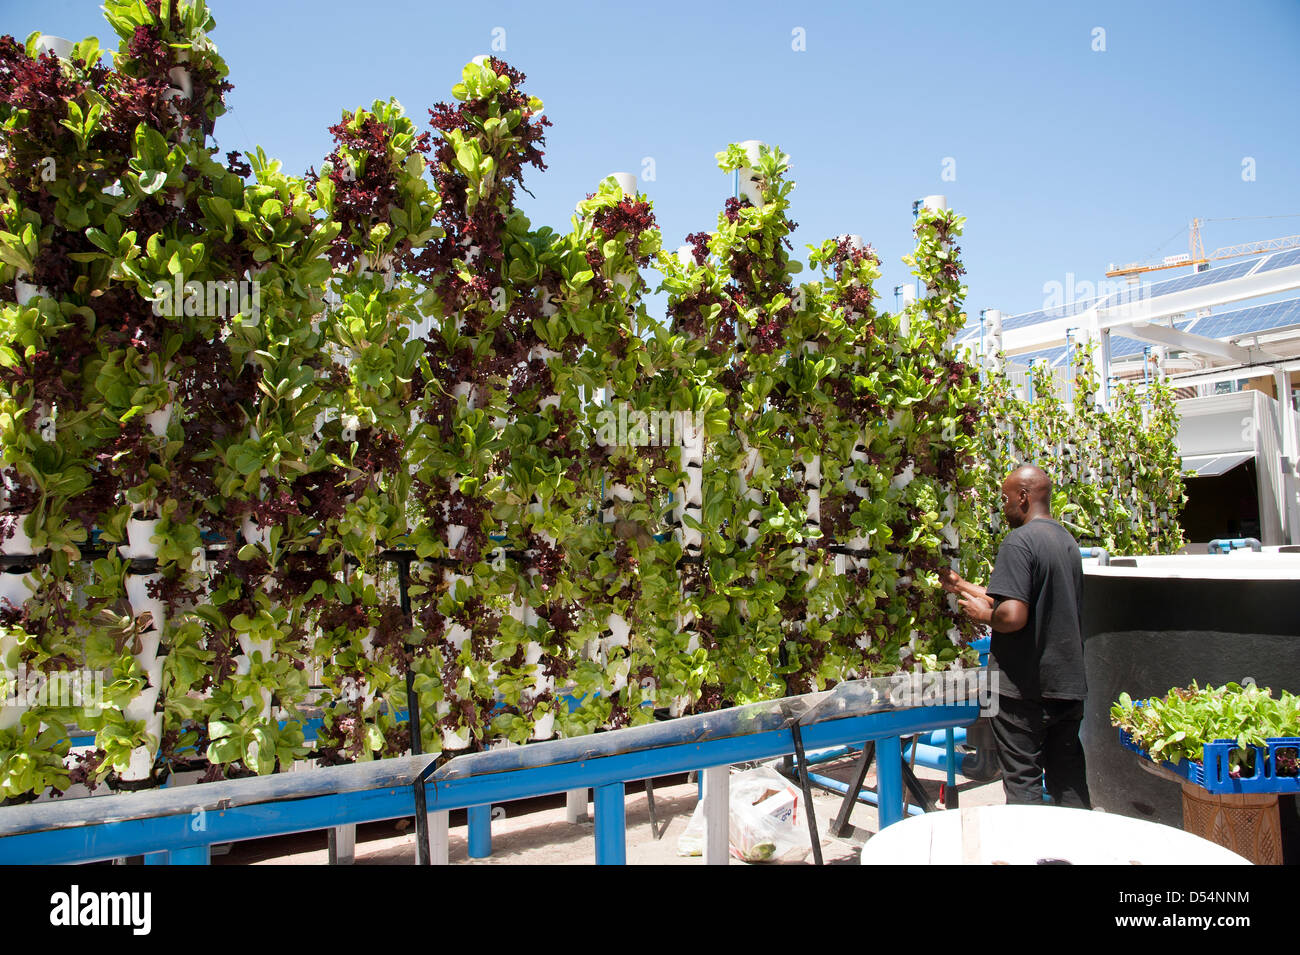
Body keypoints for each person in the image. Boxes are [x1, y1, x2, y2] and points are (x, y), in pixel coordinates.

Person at [939, 464, 1091, 808]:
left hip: (1024, 692)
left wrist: (985, 615)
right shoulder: (1065, 541)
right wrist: (962, 585)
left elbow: (1013, 614)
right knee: (1068, 781)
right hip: (1066, 687)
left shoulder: (1018, 541)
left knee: (1023, 783)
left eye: (1005, 498)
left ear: (1023, 497)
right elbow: (1023, 597)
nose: (1002, 506)